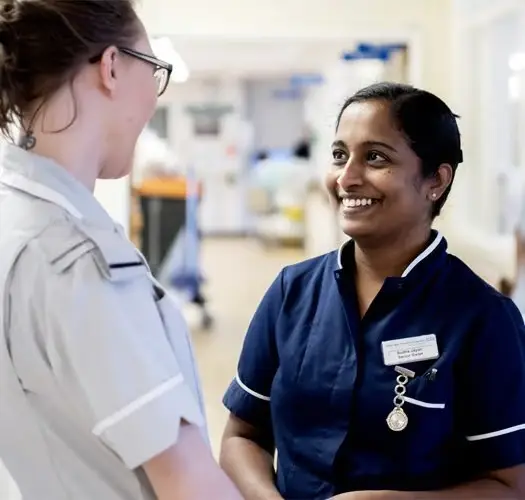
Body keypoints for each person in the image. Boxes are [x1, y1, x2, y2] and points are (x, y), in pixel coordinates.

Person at [220, 82, 525, 499]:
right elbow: (242, 436)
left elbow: (512, 485)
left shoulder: (483, 319)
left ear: (435, 180)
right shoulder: (292, 292)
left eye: (375, 157)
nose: (347, 178)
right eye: (340, 155)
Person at [0, 1, 241, 499]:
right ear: (111, 67)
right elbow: (189, 485)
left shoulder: (15, 217)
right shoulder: (77, 263)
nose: (153, 97)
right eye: (154, 71)